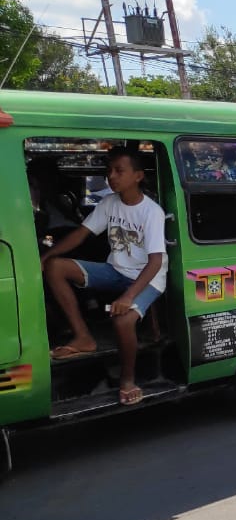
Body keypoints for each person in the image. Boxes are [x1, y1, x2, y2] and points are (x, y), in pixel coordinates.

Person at [40, 147, 168, 406]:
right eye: (109, 171)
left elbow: (155, 262)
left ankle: (128, 380)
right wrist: (45, 257)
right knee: (55, 267)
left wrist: (129, 296)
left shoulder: (150, 211)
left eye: (119, 171)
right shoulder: (109, 203)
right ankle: (83, 338)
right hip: (116, 270)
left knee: (122, 321)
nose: (111, 176)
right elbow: (81, 234)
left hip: (147, 278)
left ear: (138, 176)